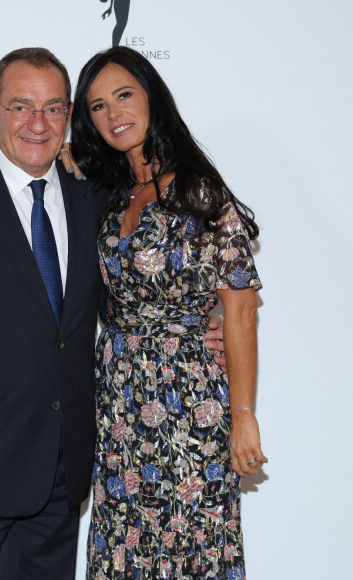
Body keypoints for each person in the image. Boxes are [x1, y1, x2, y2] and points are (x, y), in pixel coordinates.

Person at [0, 46, 226, 580]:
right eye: (20, 106)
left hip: (62, 470)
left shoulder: (95, 195)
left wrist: (210, 320)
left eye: (53, 108)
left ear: (67, 116)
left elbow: (140, 283)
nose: (37, 123)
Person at [70, 46, 267, 578]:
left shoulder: (198, 190)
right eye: (96, 106)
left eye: (124, 95)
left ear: (152, 97)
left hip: (189, 401)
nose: (113, 114)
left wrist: (243, 419)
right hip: (117, 404)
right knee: (123, 546)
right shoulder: (110, 194)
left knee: (191, 538)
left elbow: (241, 308)